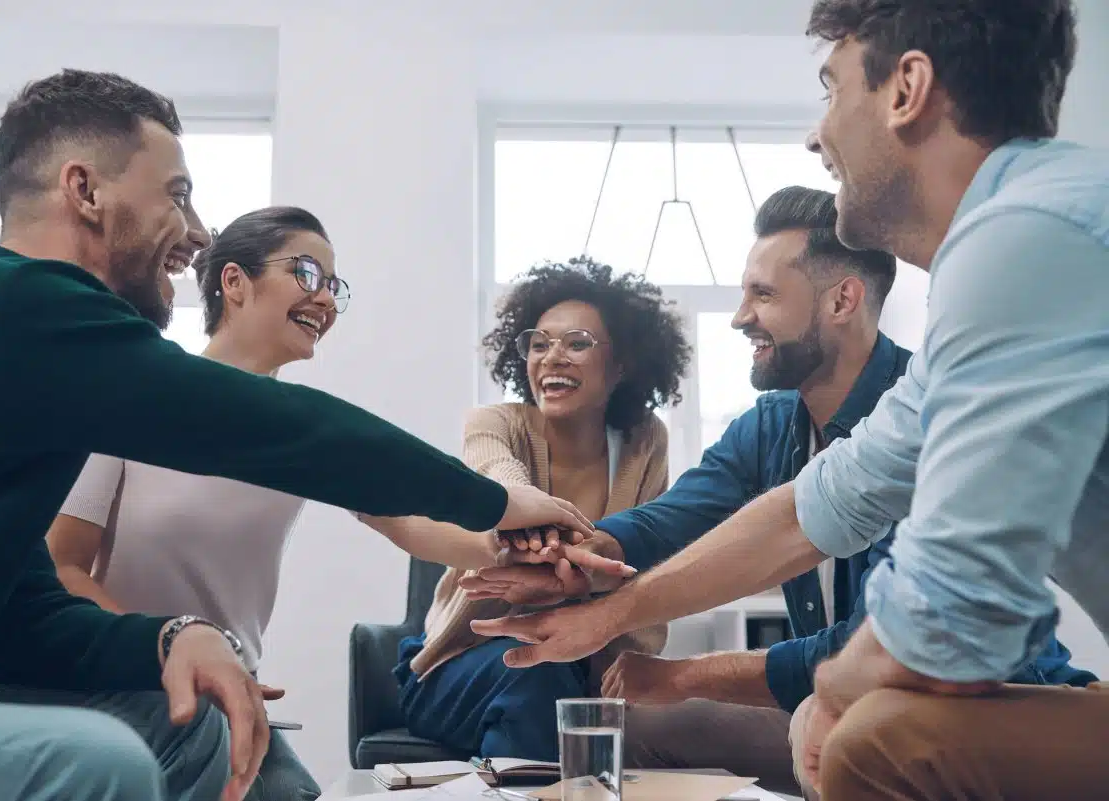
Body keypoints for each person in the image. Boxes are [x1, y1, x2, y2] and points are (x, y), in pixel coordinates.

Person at [472, 1, 1109, 798]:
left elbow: (952, 615)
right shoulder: (1012, 252)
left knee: (875, 736)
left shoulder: (1026, 234)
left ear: (906, 88)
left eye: (830, 88)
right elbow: (816, 508)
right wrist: (599, 601)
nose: (818, 134)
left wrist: (831, 688)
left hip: (1021, 688)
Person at [0, 69, 595, 801]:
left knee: (202, 735)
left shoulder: (32, 375)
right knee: (100, 762)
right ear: (85, 191)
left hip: (178, 682)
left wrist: (175, 637)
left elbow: (21, 619)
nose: (198, 232)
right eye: (177, 194)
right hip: (83, 705)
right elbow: (291, 434)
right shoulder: (28, 315)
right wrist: (496, 500)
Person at [46, 205, 345, 801]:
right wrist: (169, 647)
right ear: (234, 282)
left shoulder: (303, 432)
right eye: (308, 274)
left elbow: (418, 520)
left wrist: (522, 541)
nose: (327, 301)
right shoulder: (135, 403)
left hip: (232, 688)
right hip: (128, 679)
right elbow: (62, 565)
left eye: (334, 286)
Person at [361, 257, 691, 760]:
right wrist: (524, 515)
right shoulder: (494, 422)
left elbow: (645, 555)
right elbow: (497, 475)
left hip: (583, 663)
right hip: (460, 665)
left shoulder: (645, 441)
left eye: (576, 343)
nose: (552, 357)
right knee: (536, 671)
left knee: (644, 712)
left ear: (621, 365)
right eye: (539, 344)